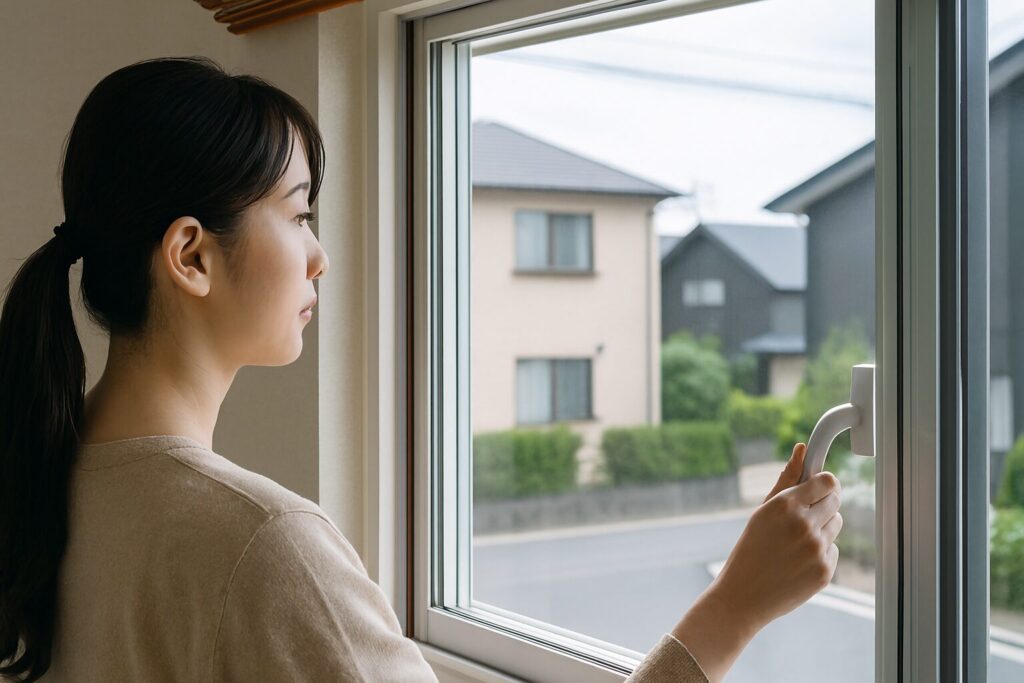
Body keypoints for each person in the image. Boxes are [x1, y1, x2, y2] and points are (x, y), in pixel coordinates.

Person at [0, 56, 842, 683]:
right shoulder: (263, 546)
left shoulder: (46, 479)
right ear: (190, 255)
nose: (319, 256)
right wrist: (734, 607)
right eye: (298, 215)